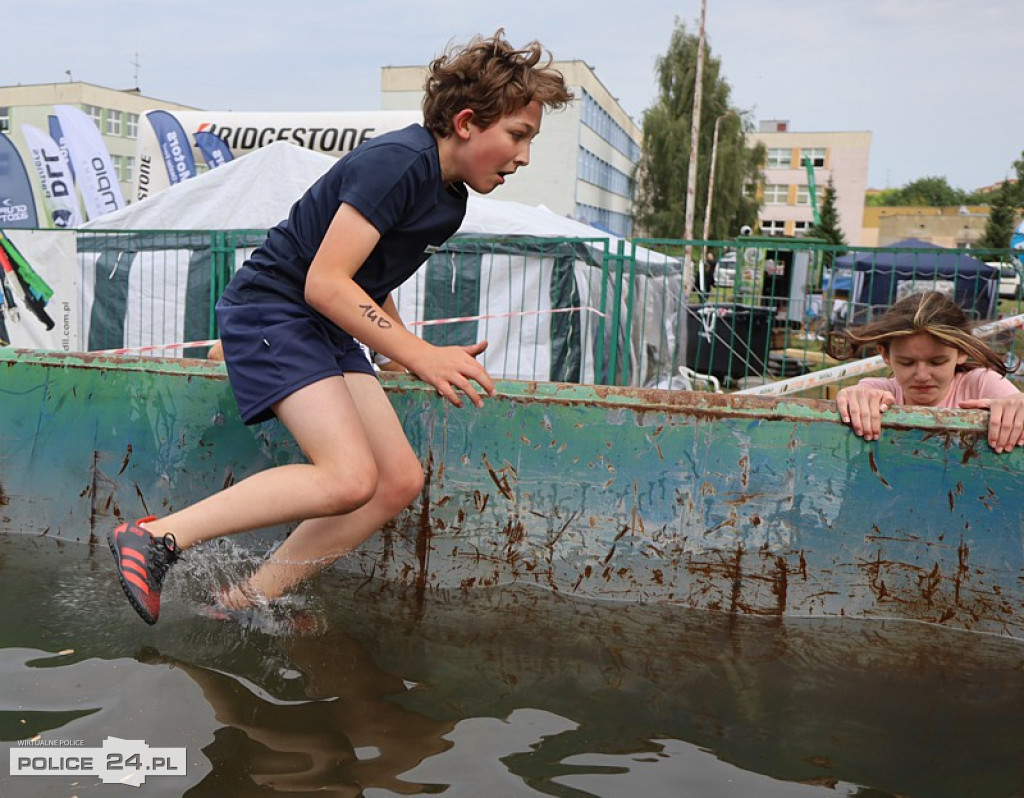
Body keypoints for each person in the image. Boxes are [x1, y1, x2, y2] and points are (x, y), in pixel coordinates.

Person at [108, 30, 573, 625]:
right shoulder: (397, 162)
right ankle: (158, 538)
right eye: (518, 135)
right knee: (348, 476)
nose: (524, 156)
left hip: (323, 325)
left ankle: (245, 600)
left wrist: (404, 353)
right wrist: (421, 353)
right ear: (465, 122)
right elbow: (324, 281)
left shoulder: (450, 200)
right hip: (274, 311)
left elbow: (370, 280)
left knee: (397, 481)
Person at [825, 290, 1024, 453]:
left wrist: (1018, 405)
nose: (921, 376)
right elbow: (860, 398)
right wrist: (856, 398)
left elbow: (1017, 403)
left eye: (937, 362)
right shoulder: (878, 391)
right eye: (906, 362)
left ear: (961, 352)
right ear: (885, 355)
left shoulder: (981, 383)